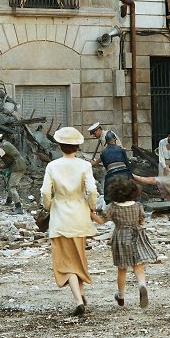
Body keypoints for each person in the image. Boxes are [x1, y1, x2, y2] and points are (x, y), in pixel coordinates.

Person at [40, 127, 98, 317]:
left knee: (66, 262)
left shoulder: (52, 166)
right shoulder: (85, 165)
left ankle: (79, 301)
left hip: (60, 217)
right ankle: (81, 294)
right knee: (78, 258)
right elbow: (92, 190)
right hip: (80, 216)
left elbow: (45, 193)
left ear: (59, 145)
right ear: (77, 146)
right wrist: (91, 207)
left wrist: (48, 206)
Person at [91, 180, 157, 309]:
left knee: (122, 269)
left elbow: (101, 221)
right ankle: (142, 285)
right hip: (137, 235)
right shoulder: (137, 205)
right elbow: (142, 221)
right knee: (138, 266)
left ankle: (121, 296)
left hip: (121, 236)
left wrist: (90, 213)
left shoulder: (113, 207)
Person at [0, 133, 27, 214]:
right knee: (10, 184)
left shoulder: (5, 145)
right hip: (15, 166)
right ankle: (9, 201)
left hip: (18, 166)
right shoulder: (4, 147)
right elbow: (9, 159)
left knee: (12, 186)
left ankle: (18, 207)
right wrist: (3, 166)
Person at [100, 131, 132, 204]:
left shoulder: (103, 153)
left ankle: (109, 208)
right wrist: (130, 176)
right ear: (115, 140)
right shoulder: (121, 150)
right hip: (124, 174)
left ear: (106, 142)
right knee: (130, 191)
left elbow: (106, 167)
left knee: (107, 197)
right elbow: (127, 164)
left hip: (111, 175)